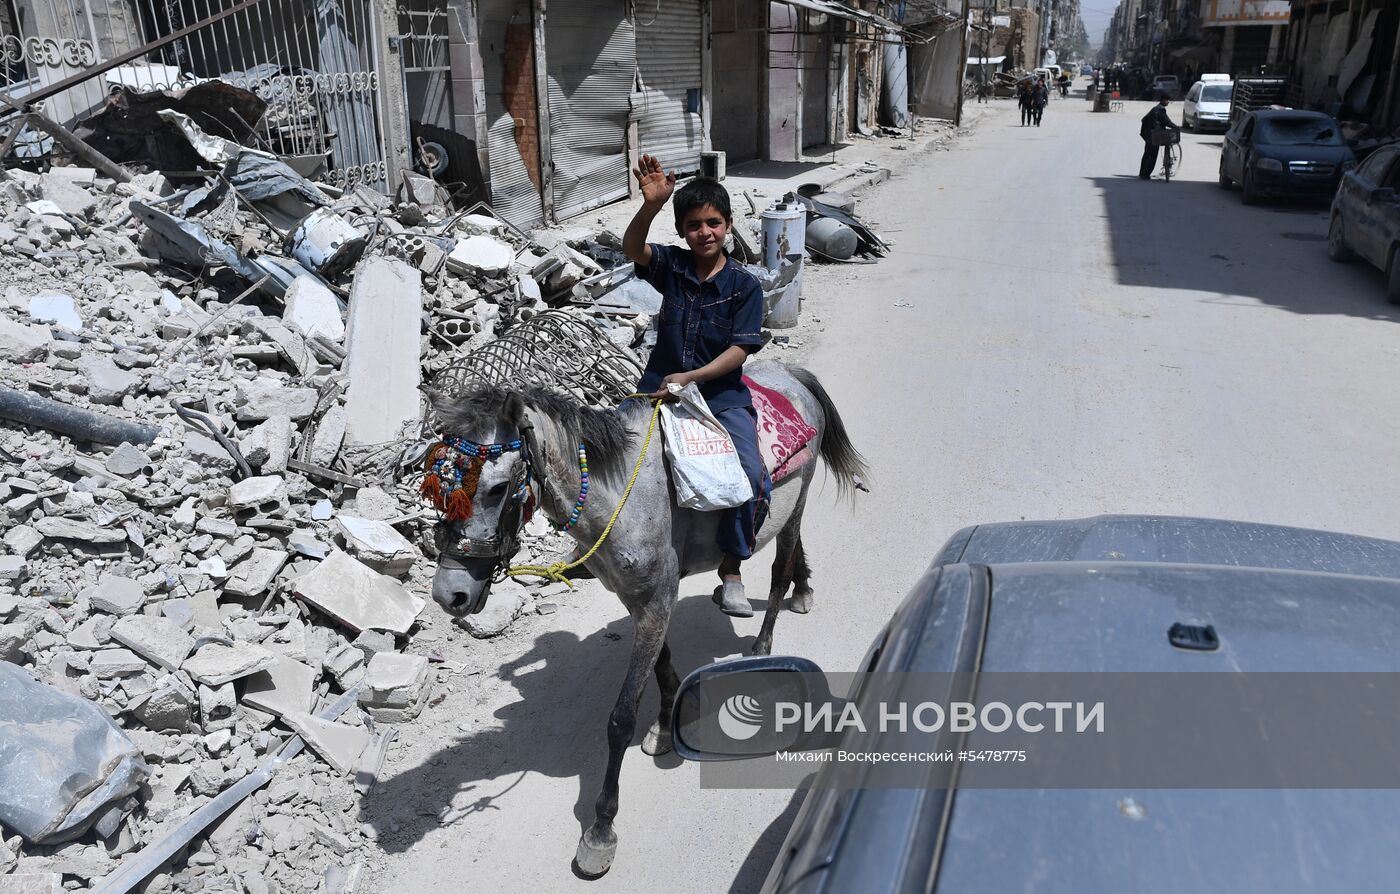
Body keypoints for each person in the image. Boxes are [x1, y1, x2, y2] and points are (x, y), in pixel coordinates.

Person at [622, 155, 771, 618]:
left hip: (718, 396)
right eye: (693, 225)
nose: (704, 232)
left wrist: (690, 379)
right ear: (682, 231)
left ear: (728, 224)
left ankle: (731, 572)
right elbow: (632, 248)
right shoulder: (673, 267)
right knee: (611, 455)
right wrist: (650, 206)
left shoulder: (745, 286)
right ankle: (602, 547)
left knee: (749, 476)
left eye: (713, 223)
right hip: (657, 387)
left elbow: (739, 352)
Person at [1139, 92, 1179, 179]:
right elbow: (1166, 121)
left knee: (1147, 153)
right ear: (1164, 100)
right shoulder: (1161, 109)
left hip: (1148, 133)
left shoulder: (1155, 108)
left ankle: (1143, 173)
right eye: (1168, 100)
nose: (1168, 102)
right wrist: (1176, 127)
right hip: (1153, 134)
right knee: (1152, 154)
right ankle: (1146, 174)